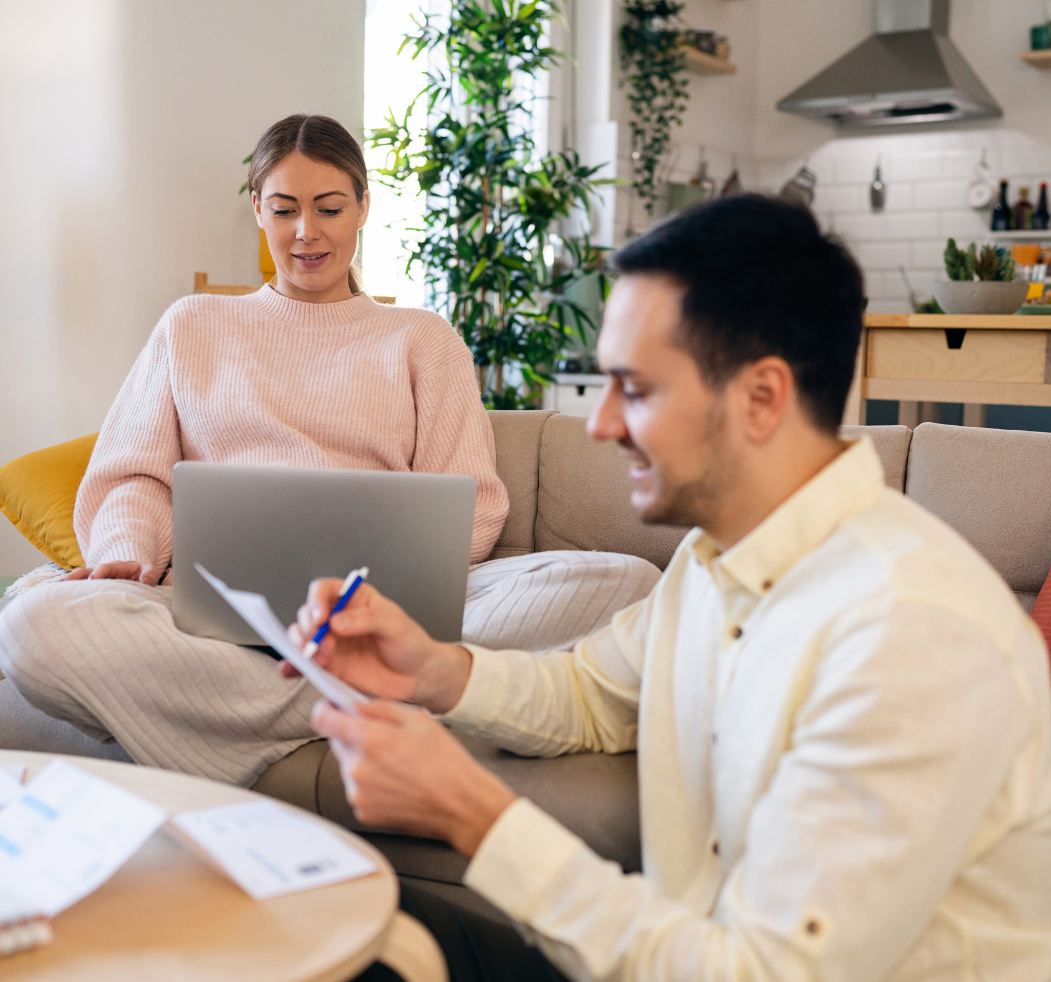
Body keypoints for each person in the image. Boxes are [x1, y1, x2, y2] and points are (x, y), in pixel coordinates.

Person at [216, 194, 1051, 982]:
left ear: (762, 396)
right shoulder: (714, 561)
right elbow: (592, 691)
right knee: (304, 932)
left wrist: (472, 812)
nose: (601, 422)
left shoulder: (910, 635)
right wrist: (431, 671)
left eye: (637, 387)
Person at [0, 114, 658, 786]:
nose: (306, 232)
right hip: (217, 615)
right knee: (32, 624)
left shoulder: (422, 339)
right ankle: (376, 693)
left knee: (628, 583)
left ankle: (325, 685)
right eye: (284, 209)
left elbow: (475, 502)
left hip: (382, 617)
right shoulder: (193, 325)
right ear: (258, 208)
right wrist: (125, 556)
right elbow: (134, 477)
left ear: (364, 207)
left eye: (330, 208)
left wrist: (395, 589)